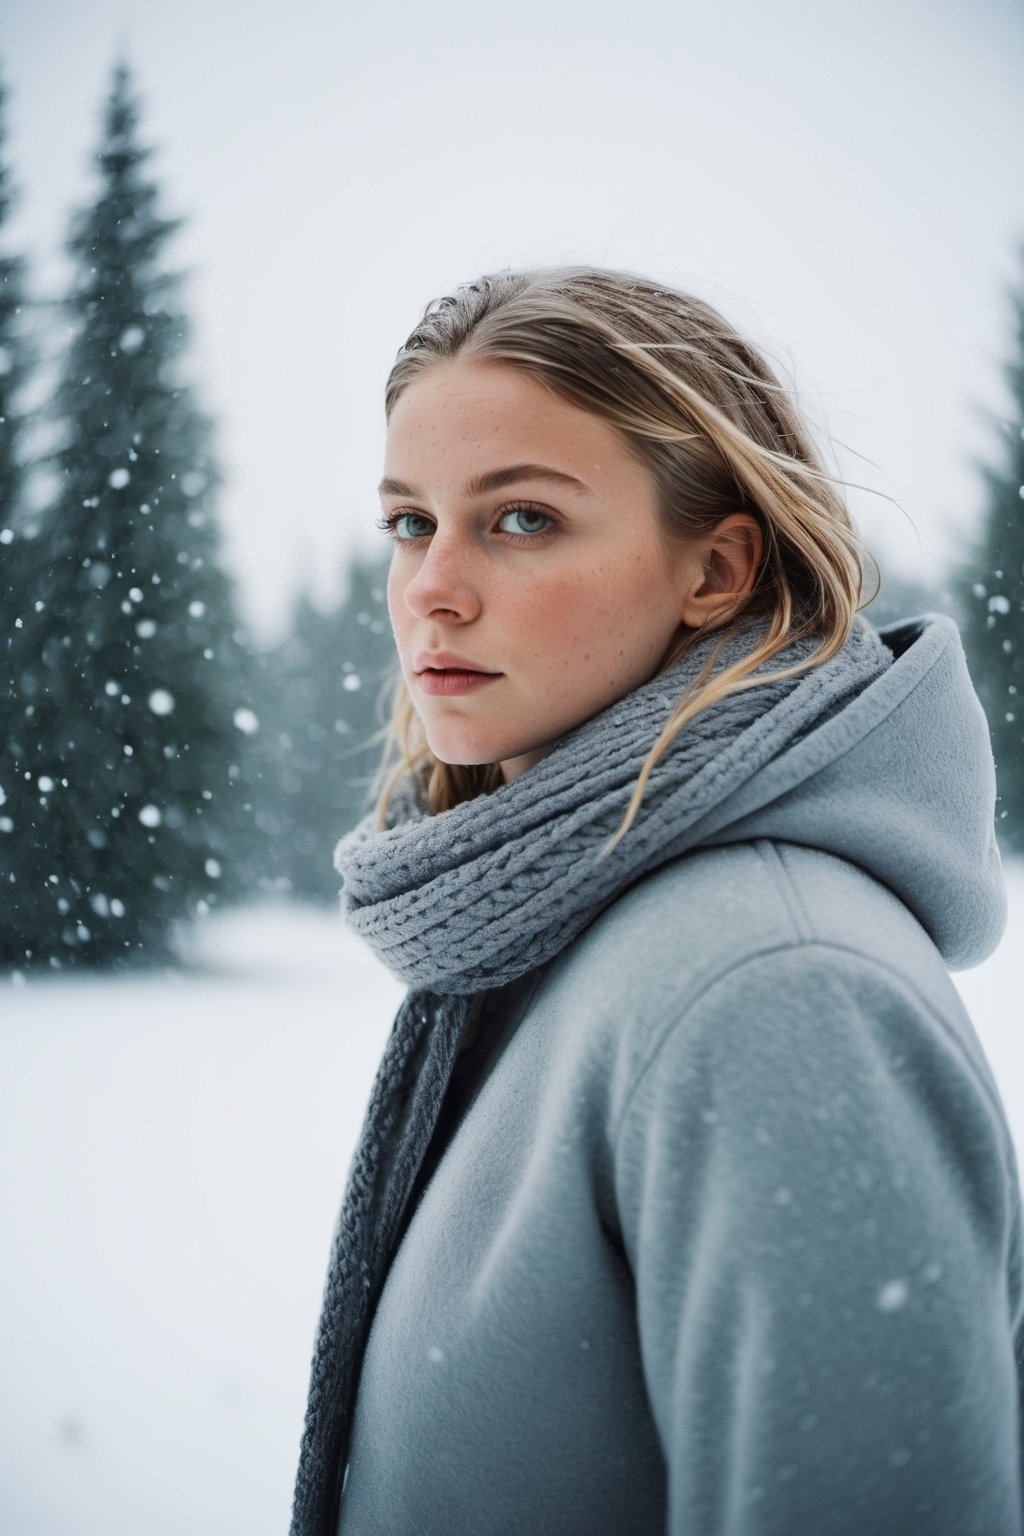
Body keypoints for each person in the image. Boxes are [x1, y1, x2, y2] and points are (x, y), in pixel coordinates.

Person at [291, 267, 1023, 1536]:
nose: (432, 587)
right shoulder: (561, 925)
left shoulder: (775, 990)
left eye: (520, 520)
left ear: (717, 569)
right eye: (410, 522)